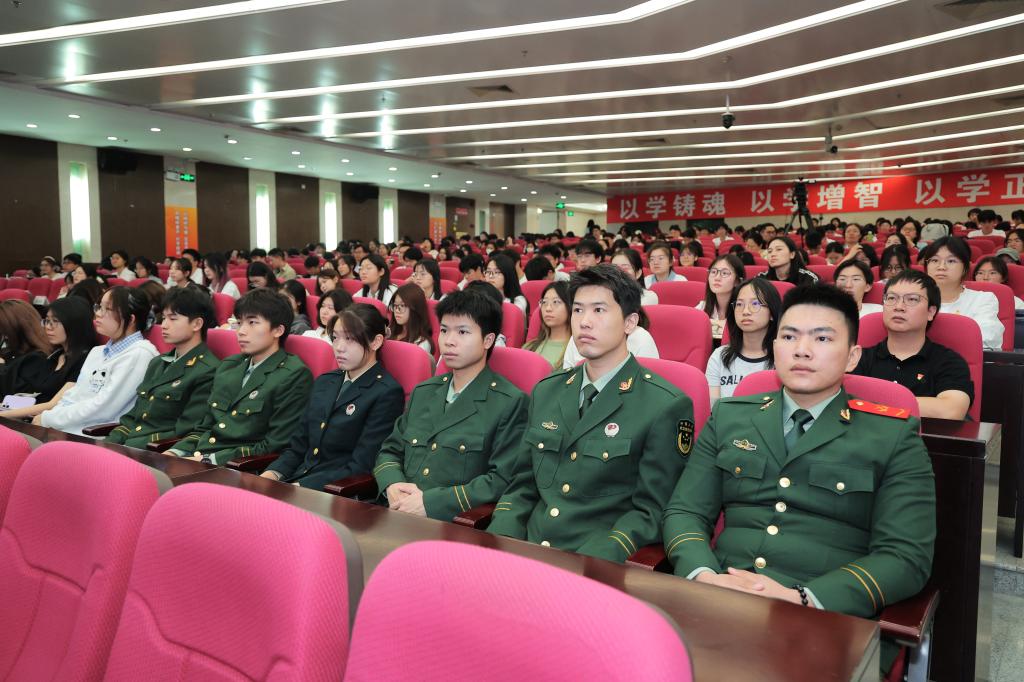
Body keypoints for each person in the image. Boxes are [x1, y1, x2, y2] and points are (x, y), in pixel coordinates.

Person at [663, 283, 935, 671]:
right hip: (718, 598)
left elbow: (906, 557)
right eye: (789, 336)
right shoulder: (730, 416)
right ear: (774, 346)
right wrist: (704, 575)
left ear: (852, 356)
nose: (802, 350)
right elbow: (685, 511)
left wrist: (803, 599)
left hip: (826, 620)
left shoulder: (892, 435)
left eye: (822, 338)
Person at [489, 265, 695, 561]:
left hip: (595, 562)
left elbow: (651, 511)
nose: (584, 322)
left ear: (630, 322)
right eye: (577, 310)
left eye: (599, 310)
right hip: (526, 552)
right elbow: (522, 485)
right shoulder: (547, 391)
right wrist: (500, 542)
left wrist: (592, 561)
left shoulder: (664, 405)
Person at [372, 288, 529, 521]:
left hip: (452, 523)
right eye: (444, 330)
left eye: (462, 332)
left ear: (488, 340)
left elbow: (501, 479)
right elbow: (390, 451)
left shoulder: (509, 402)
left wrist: (430, 503)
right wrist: (392, 484)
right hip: (397, 511)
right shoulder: (424, 392)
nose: (449, 341)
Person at [262, 304, 405, 489]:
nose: (339, 347)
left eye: (350, 339)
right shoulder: (325, 381)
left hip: (334, 491)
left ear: (375, 342)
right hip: (298, 479)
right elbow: (298, 446)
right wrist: (272, 474)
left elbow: (361, 466)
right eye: (335, 338)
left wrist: (300, 487)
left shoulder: (386, 392)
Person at [167, 288, 313, 465]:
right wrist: (175, 452)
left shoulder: (294, 375)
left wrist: (208, 459)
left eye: (252, 322)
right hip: (201, 458)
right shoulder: (230, 366)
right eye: (239, 323)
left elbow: (274, 445)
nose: (241, 331)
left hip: (241, 468)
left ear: (277, 330)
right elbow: (205, 426)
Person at [105, 288, 221, 448]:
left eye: (173, 319)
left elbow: (187, 430)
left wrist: (130, 447)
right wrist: (109, 444)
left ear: (197, 324)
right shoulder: (158, 362)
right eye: (164, 318)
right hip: (130, 445)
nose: (164, 325)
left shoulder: (208, 370)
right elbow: (132, 418)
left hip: (157, 450)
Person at [853, 270, 973, 420]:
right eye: (891, 298)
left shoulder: (948, 361)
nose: (899, 306)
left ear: (931, 312)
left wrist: (872, 403)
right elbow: (841, 402)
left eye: (912, 299)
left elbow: (950, 411)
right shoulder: (859, 358)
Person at [38, 287, 158, 434]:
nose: (98, 314)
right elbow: (74, 395)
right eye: (99, 307)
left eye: (107, 309)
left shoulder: (140, 354)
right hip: (67, 426)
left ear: (131, 319)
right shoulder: (97, 352)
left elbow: (103, 408)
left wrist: (48, 419)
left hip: (97, 434)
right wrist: (50, 417)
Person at [0, 298, 96, 421]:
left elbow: (54, 404)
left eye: (55, 321)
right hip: (31, 417)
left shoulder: (85, 359)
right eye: (47, 321)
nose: (48, 327)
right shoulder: (56, 356)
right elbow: (35, 396)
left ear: (74, 323)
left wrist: (4, 414)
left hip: (52, 422)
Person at [920, 236, 1004, 350]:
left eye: (951, 261)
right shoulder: (911, 298)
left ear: (965, 267)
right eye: (934, 260)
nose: (941, 267)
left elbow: (986, 339)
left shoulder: (982, 299)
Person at [705, 278, 781, 401]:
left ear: (771, 312)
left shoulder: (783, 359)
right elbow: (713, 407)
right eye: (739, 304)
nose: (745, 311)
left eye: (755, 304)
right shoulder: (719, 356)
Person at [0, 299, 53, 400]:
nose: (3, 335)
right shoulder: (9, 350)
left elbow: (18, 394)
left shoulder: (37, 358)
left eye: (4, 329)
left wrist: (1, 367)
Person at [523, 281, 572, 369]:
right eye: (544, 302)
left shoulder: (577, 351)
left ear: (570, 306)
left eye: (556, 302)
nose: (548, 308)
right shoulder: (529, 347)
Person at [697, 255, 745, 340]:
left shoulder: (745, 310)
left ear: (737, 281)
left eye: (724, 273)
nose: (717, 278)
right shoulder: (702, 307)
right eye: (713, 272)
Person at [388, 283, 435, 357]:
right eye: (395, 305)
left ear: (415, 309)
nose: (397, 310)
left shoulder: (421, 343)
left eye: (402, 305)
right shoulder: (389, 333)